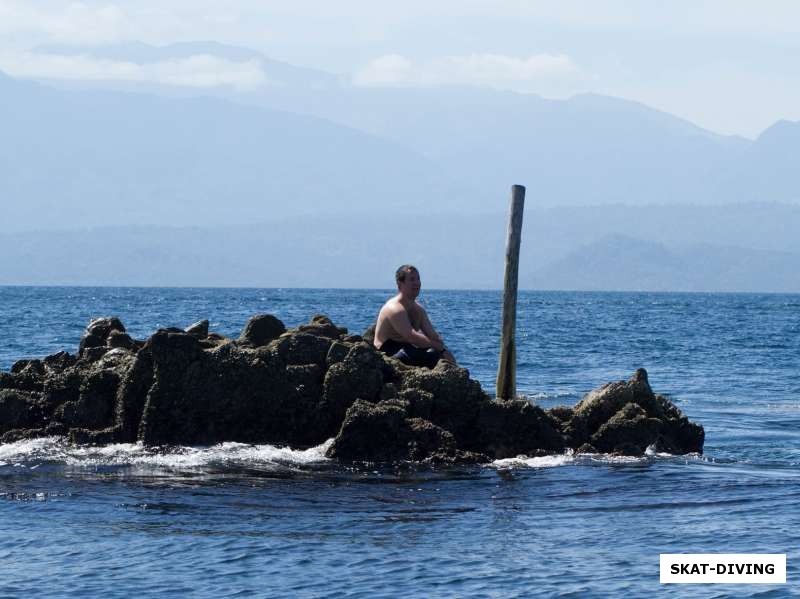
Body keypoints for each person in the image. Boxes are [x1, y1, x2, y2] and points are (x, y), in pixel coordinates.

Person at [374, 265, 456, 368]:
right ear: (400, 284)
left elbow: (433, 335)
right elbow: (411, 336)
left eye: (418, 279)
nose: (416, 283)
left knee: (438, 355)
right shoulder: (394, 308)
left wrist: (443, 350)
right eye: (412, 279)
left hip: (406, 348)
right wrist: (437, 346)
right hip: (386, 352)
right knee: (431, 355)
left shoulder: (419, 310)